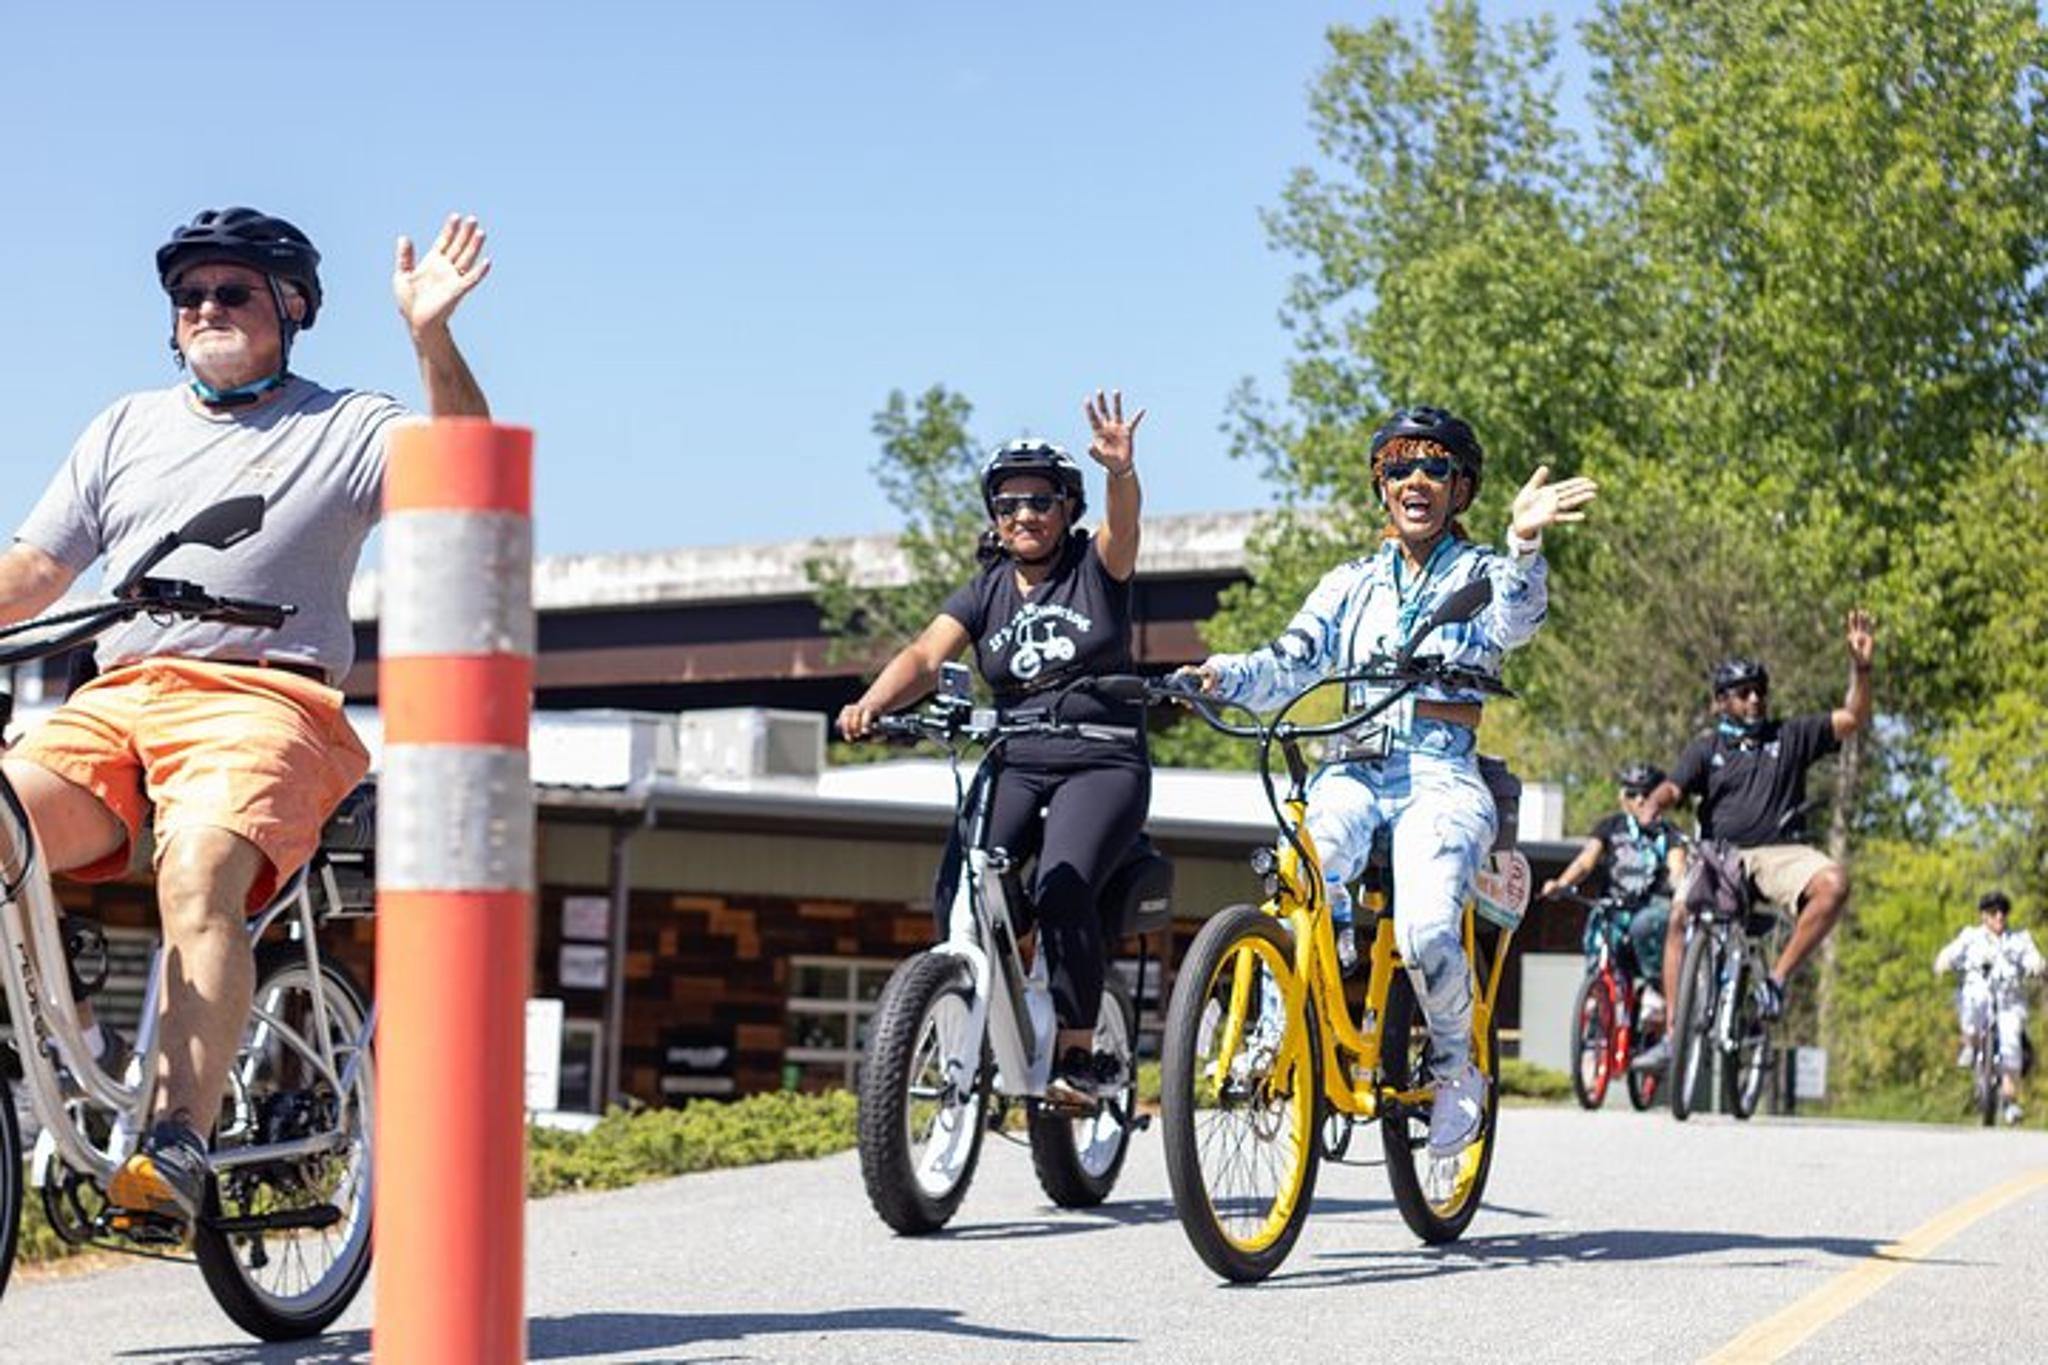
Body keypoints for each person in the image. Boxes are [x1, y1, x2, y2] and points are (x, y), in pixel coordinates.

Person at [0, 206, 492, 1226]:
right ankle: (74, 1041)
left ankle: (175, 1135)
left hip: (268, 699)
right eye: (189, 298)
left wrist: (431, 336)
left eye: (232, 293)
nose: (206, 310)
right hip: (117, 698)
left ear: (293, 307)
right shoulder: (124, 426)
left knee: (197, 874)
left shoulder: (346, 424)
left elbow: (465, 469)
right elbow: (37, 571)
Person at [1182, 406, 1597, 1158]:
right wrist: (1216, 675)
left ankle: (1453, 1069)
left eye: (1435, 468)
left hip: (1441, 777)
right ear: (1381, 486)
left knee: (1429, 927)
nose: (1416, 480)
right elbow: (1289, 659)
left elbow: (1517, 619)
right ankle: (1283, 1021)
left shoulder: (1479, 574)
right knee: (1300, 868)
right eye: (1400, 467)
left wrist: (1526, 540)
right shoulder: (1349, 584)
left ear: (1459, 488)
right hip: (1353, 769)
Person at [838, 390, 1149, 1104]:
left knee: (1062, 884)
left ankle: (1076, 1051)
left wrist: (1120, 475)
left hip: (1100, 759)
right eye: (1007, 505)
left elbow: (1123, 530)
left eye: (1040, 501)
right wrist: (873, 703)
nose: (1024, 516)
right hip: (1017, 754)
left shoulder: (1094, 569)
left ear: (1066, 507)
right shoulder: (985, 590)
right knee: (960, 888)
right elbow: (924, 654)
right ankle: (971, 1014)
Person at [1629, 613, 1875, 1077]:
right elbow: (1673, 789)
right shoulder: (1705, 750)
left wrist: (1861, 669)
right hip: (1720, 854)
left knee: (1834, 882)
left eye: (1760, 690)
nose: (1756, 698)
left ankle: (1776, 981)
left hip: (1779, 852)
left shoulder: (1791, 735)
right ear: (1721, 702)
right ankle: (1672, 1035)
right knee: (1680, 917)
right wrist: (1652, 808)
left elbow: (1853, 718)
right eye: (1744, 693)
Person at [1541, 762, 1688, 1011]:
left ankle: (1653, 987)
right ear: (1622, 797)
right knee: (1598, 929)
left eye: (1647, 794)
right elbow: (1586, 862)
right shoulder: (1611, 826)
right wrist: (1561, 883)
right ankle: (1597, 1007)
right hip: (1615, 907)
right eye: (1632, 794)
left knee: (1645, 926)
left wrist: (1680, 888)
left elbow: (1678, 866)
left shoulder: (1668, 833)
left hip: (1651, 907)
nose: (1640, 800)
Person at [1934, 891, 2043, 1125]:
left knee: (2012, 1044)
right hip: (1978, 993)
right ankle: (1970, 1044)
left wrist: (2036, 966)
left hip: (2008, 999)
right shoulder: (1970, 937)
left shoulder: (2019, 939)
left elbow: (2033, 958)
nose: (1999, 917)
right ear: (1984, 916)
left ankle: (2009, 1101)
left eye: (2003, 912)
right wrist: (1943, 962)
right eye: (1993, 912)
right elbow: (1951, 952)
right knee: (1972, 1005)